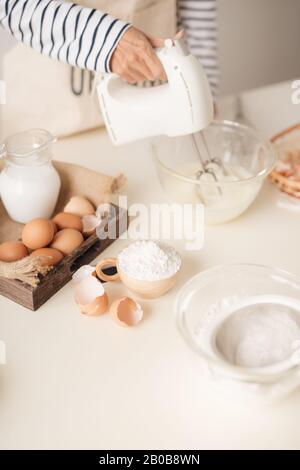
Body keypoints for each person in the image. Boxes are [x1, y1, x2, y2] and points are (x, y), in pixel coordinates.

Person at [0, 0, 218, 93]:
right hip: (52, 131)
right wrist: (108, 41)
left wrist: (204, 84)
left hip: (152, 117)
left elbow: (197, 9)